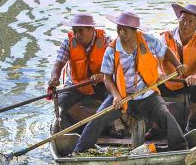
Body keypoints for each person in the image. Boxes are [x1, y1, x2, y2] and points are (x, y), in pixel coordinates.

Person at [72, 11, 188, 154]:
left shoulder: (148, 40)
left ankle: (181, 148)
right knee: (97, 119)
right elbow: (107, 78)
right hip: (122, 96)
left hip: (147, 94)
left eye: (124, 30)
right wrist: (115, 96)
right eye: (118, 29)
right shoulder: (112, 50)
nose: (120, 32)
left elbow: (166, 52)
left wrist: (178, 65)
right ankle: (79, 151)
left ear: (134, 31)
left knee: (165, 115)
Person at [47, 13, 111, 129]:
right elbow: (58, 64)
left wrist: (102, 76)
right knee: (62, 99)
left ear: (91, 29)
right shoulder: (68, 42)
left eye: (80, 30)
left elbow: (116, 67)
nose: (77, 35)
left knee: (114, 96)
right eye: (74, 31)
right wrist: (54, 78)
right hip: (77, 85)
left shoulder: (106, 41)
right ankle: (101, 122)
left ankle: (96, 122)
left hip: (102, 83)